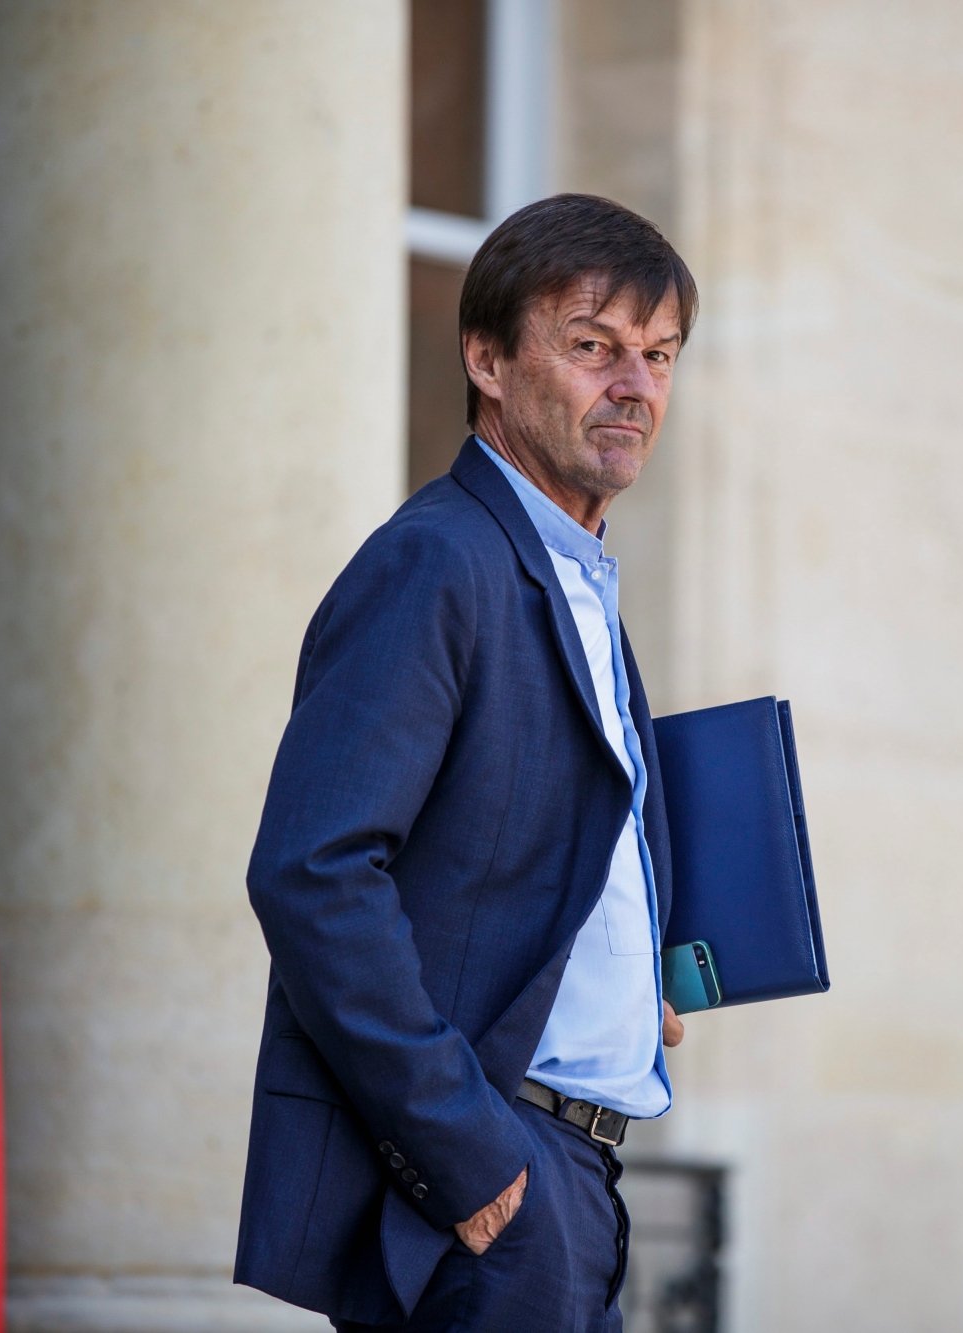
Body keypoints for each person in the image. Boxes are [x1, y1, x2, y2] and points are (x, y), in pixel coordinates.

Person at [233, 194, 696, 1333]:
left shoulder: (579, 581)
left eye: (659, 355)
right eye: (592, 346)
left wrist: (638, 978)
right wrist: (470, 1161)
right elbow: (313, 872)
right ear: (485, 358)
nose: (633, 385)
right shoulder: (438, 562)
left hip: (571, 1178)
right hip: (487, 1193)